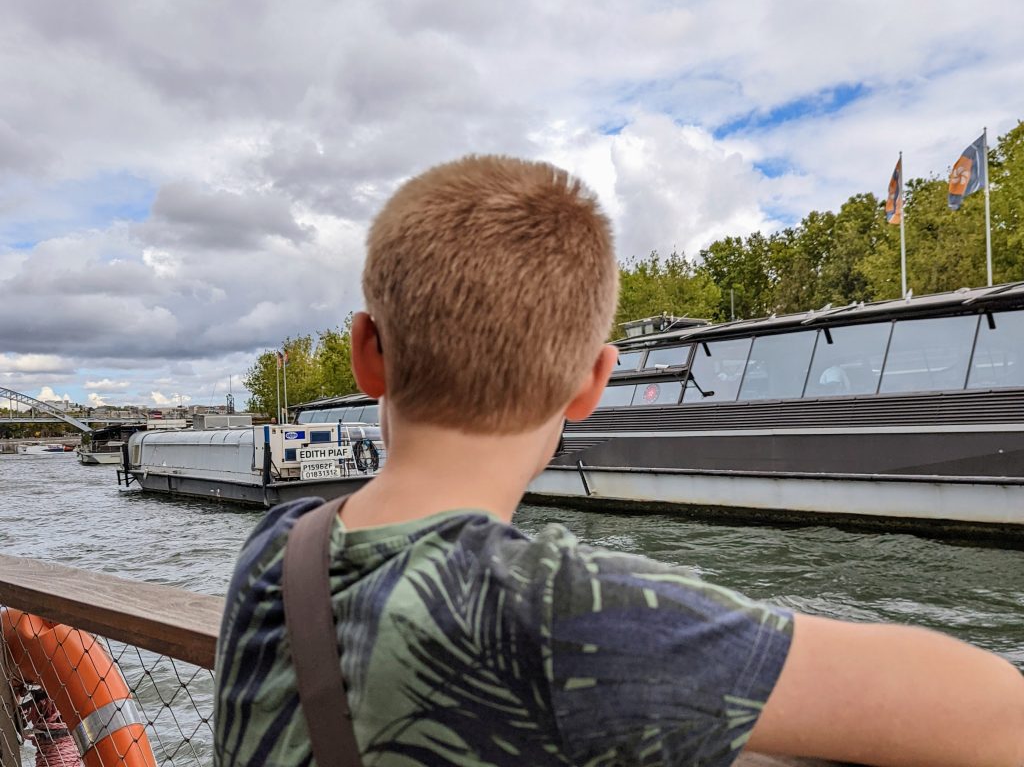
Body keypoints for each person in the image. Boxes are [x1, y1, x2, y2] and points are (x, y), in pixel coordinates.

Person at [214, 156, 1024, 767]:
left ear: (366, 355)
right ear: (593, 384)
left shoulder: (275, 552)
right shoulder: (572, 613)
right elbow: (997, 711)